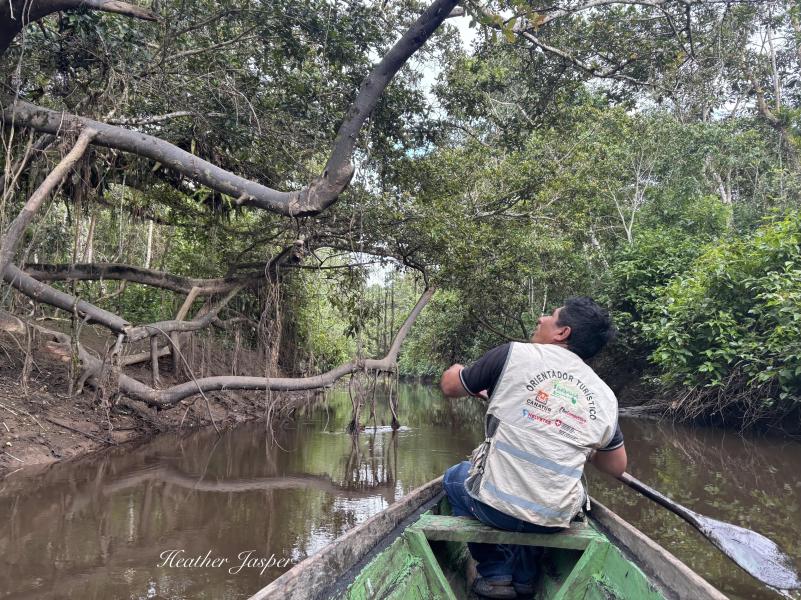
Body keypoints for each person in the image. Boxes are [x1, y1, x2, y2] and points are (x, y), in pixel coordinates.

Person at [440, 296, 626, 599]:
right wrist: (580, 442)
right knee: (541, 499)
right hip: (555, 519)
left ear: (562, 332)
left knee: (453, 477)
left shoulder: (512, 355)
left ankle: (497, 573)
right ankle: (525, 578)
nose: (541, 318)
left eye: (550, 316)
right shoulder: (605, 396)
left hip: (493, 508)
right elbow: (616, 466)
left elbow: (450, 386)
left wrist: (457, 369)